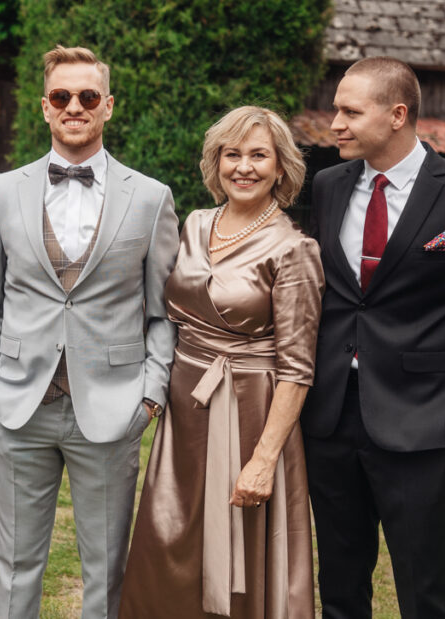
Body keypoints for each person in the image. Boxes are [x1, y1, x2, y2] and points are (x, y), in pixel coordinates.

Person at [302, 57, 445, 619]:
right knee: (339, 588)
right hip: (330, 419)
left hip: (422, 424)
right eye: (336, 110)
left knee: (426, 594)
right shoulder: (327, 186)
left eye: (351, 112)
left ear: (397, 115)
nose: (336, 124)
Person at [0, 45, 180, 618]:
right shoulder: (3, 192)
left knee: (106, 569)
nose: (74, 107)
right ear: (45, 107)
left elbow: (163, 311)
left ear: (108, 105)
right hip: (18, 404)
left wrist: (150, 393)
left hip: (113, 407)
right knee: (16, 564)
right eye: (61, 96)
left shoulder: (151, 198)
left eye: (88, 96)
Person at [119, 106, 325, 619]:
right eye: (232, 154)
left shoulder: (295, 248)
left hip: (250, 411)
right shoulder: (194, 224)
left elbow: (297, 369)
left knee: (240, 545)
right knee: (171, 535)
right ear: (216, 161)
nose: (244, 167)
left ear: (281, 167)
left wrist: (263, 459)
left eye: (259, 155)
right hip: (185, 409)